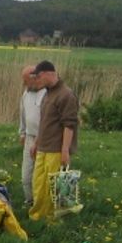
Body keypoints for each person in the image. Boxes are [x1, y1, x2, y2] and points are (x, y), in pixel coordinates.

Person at [28, 60, 80, 222]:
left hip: (56, 149)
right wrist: (36, 143)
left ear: (46, 74)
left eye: (38, 77)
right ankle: (38, 215)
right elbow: (44, 121)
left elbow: (69, 125)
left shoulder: (66, 95)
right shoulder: (48, 93)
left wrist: (65, 151)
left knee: (52, 186)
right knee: (38, 184)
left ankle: (51, 218)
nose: (37, 80)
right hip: (43, 147)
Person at [17, 65, 46, 207]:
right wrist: (22, 132)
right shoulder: (26, 93)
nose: (24, 84)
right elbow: (23, 114)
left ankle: (41, 204)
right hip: (29, 137)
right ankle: (29, 201)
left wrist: (38, 140)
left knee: (40, 176)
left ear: (35, 78)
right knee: (26, 176)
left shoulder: (47, 94)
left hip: (45, 139)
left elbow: (47, 120)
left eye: (26, 81)